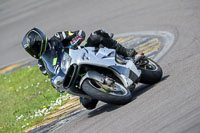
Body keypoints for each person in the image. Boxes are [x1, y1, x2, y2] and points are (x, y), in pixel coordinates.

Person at [22, 28, 139, 109]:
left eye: (35, 47)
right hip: (74, 75)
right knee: (88, 105)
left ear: (40, 40)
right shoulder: (41, 64)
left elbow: (79, 33)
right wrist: (57, 84)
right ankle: (103, 88)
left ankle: (127, 53)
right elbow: (51, 75)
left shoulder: (57, 38)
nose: (34, 51)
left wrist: (76, 39)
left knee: (97, 35)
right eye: (31, 50)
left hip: (84, 55)